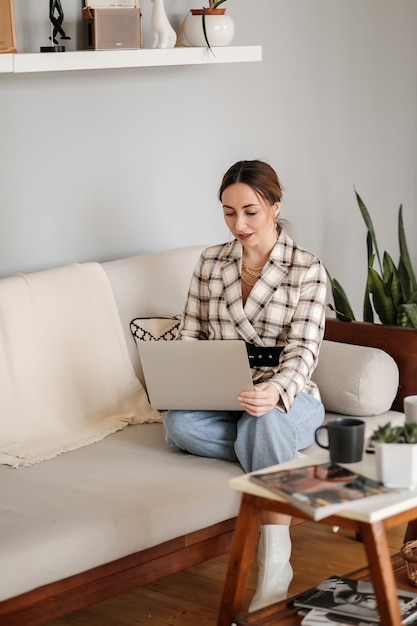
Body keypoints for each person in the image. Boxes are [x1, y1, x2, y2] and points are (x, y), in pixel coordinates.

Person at [163, 159, 327, 611]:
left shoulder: (306, 269)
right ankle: (268, 453)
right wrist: (188, 381)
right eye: (228, 212)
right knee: (178, 426)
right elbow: (191, 333)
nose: (239, 224)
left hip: (287, 397)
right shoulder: (210, 261)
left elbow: (304, 353)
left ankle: (276, 562)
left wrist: (274, 391)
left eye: (250, 211)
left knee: (264, 422)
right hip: (222, 394)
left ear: (276, 206)